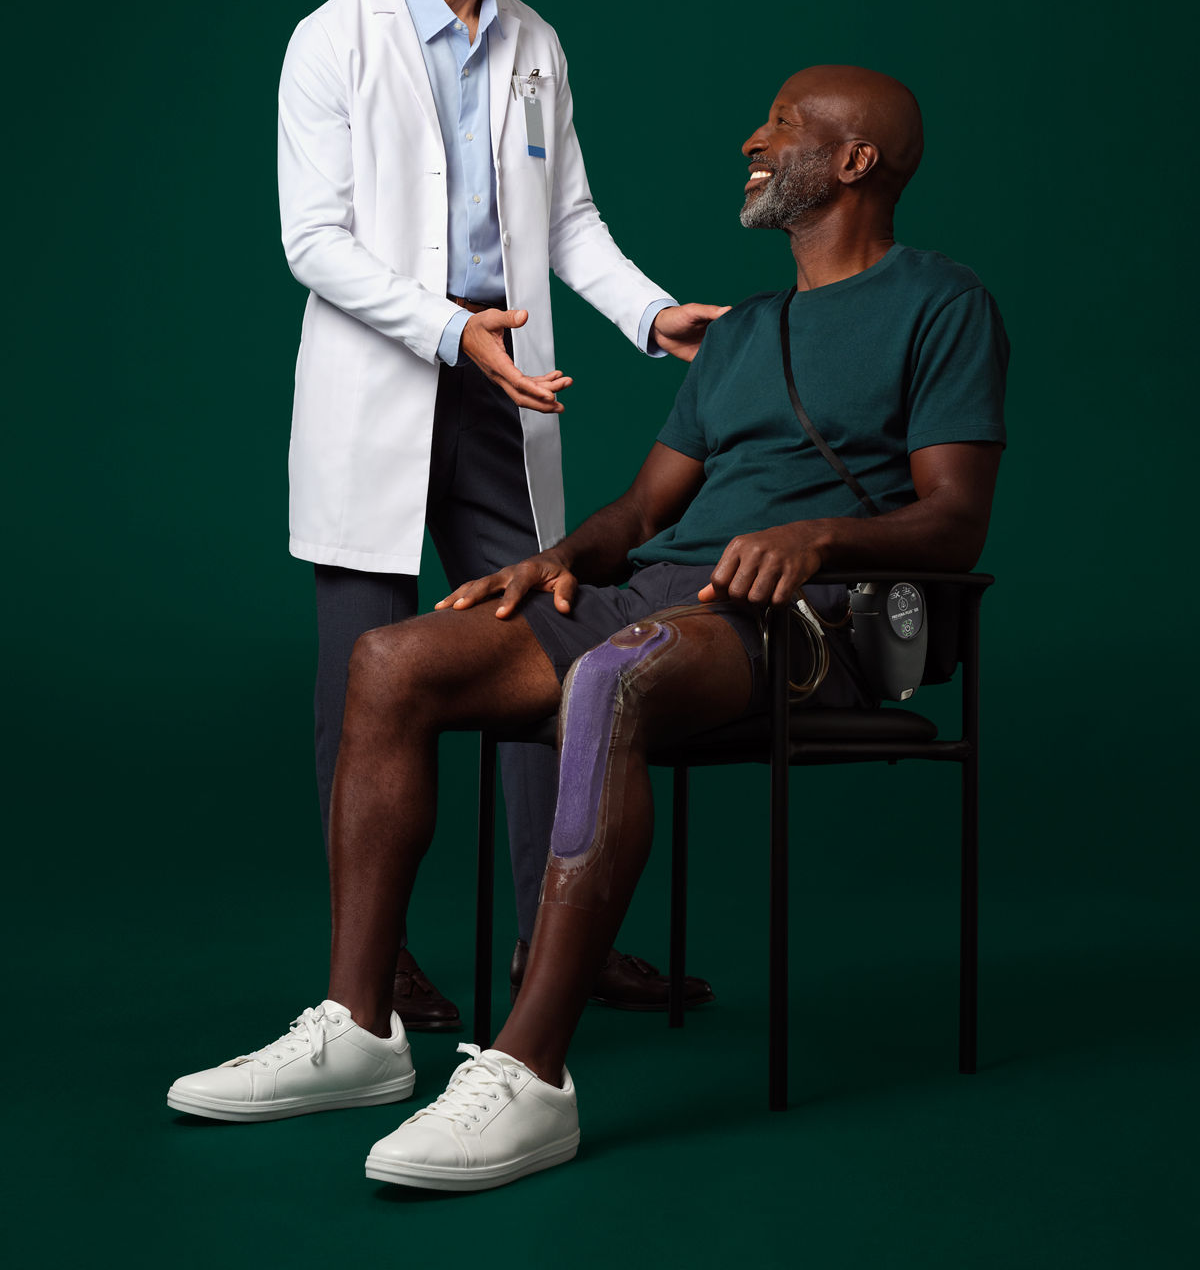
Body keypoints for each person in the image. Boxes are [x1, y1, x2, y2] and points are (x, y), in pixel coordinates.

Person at [173, 64, 1009, 1190]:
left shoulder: (942, 304)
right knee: (394, 659)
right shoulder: (744, 331)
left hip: (813, 620)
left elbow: (955, 520)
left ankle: (529, 1074)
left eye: (781, 126)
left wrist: (816, 539)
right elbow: (645, 509)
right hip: (658, 597)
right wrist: (557, 559)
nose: (751, 141)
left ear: (855, 162)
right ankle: (359, 1025)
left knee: (614, 676)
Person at [278, 0, 726, 1028]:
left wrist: (651, 315)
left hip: (503, 388)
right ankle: (371, 969)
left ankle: (554, 942)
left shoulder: (534, 42)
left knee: (548, 654)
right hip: (387, 382)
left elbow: (568, 223)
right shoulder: (334, 39)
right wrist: (445, 329)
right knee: (360, 686)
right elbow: (310, 240)